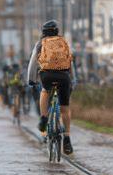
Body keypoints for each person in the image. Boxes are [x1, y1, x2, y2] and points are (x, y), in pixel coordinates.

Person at [26, 20, 76, 155]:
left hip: (47, 75)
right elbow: (70, 61)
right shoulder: (63, 42)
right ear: (56, 31)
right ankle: (67, 137)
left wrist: (31, 80)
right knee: (65, 109)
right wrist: (73, 79)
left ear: (43, 32)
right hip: (63, 76)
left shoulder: (40, 43)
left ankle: (43, 118)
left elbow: (33, 63)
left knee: (44, 91)